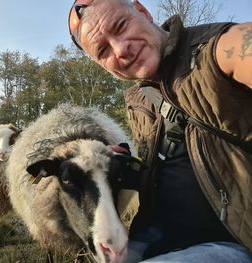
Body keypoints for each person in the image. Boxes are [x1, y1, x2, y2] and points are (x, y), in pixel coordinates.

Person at [68, 0, 252, 262]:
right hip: (156, 236)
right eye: (103, 50)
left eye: (120, 25)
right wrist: (119, 161)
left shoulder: (215, 50)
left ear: (142, 11)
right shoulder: (138, 100)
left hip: (233, 242)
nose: (121, 49)